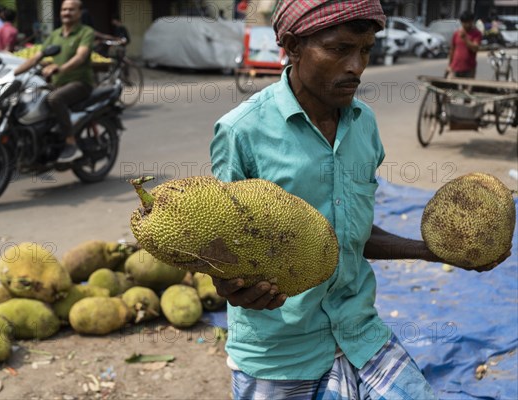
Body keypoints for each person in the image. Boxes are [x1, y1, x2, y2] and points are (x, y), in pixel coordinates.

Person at [209, 1, 510, 398]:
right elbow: (217, 249)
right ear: (292, 45)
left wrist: (434, 251)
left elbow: (353, 231)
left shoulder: (364, 124)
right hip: (280, 351)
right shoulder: (241, 132)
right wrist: (228, 285)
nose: (356, 65)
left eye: (366, 49)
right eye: (340, 49)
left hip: (359, 332)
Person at [13, 0, 95, 162]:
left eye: (71, 10)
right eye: (64, 9)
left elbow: (81, 56)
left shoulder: (85, 32)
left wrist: (60, 68)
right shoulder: (55, 34)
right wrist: (13, 73)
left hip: (80, 82)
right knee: (29, 97)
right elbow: (36, 57)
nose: (66, 12)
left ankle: (70, 142)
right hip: (57, 83)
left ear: (79, 12)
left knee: (54, 98)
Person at [447, 11, 482, 78]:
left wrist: (465, 39)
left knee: (467, 88)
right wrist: (449, 65)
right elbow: (452, 50)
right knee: (450, 87)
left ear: (472, 21)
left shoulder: (476, 34)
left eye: (468, 22)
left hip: (469, 69)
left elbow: (475, 48)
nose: (467, 25)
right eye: (464, 23)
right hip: (455, 68)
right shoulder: (456, 34)